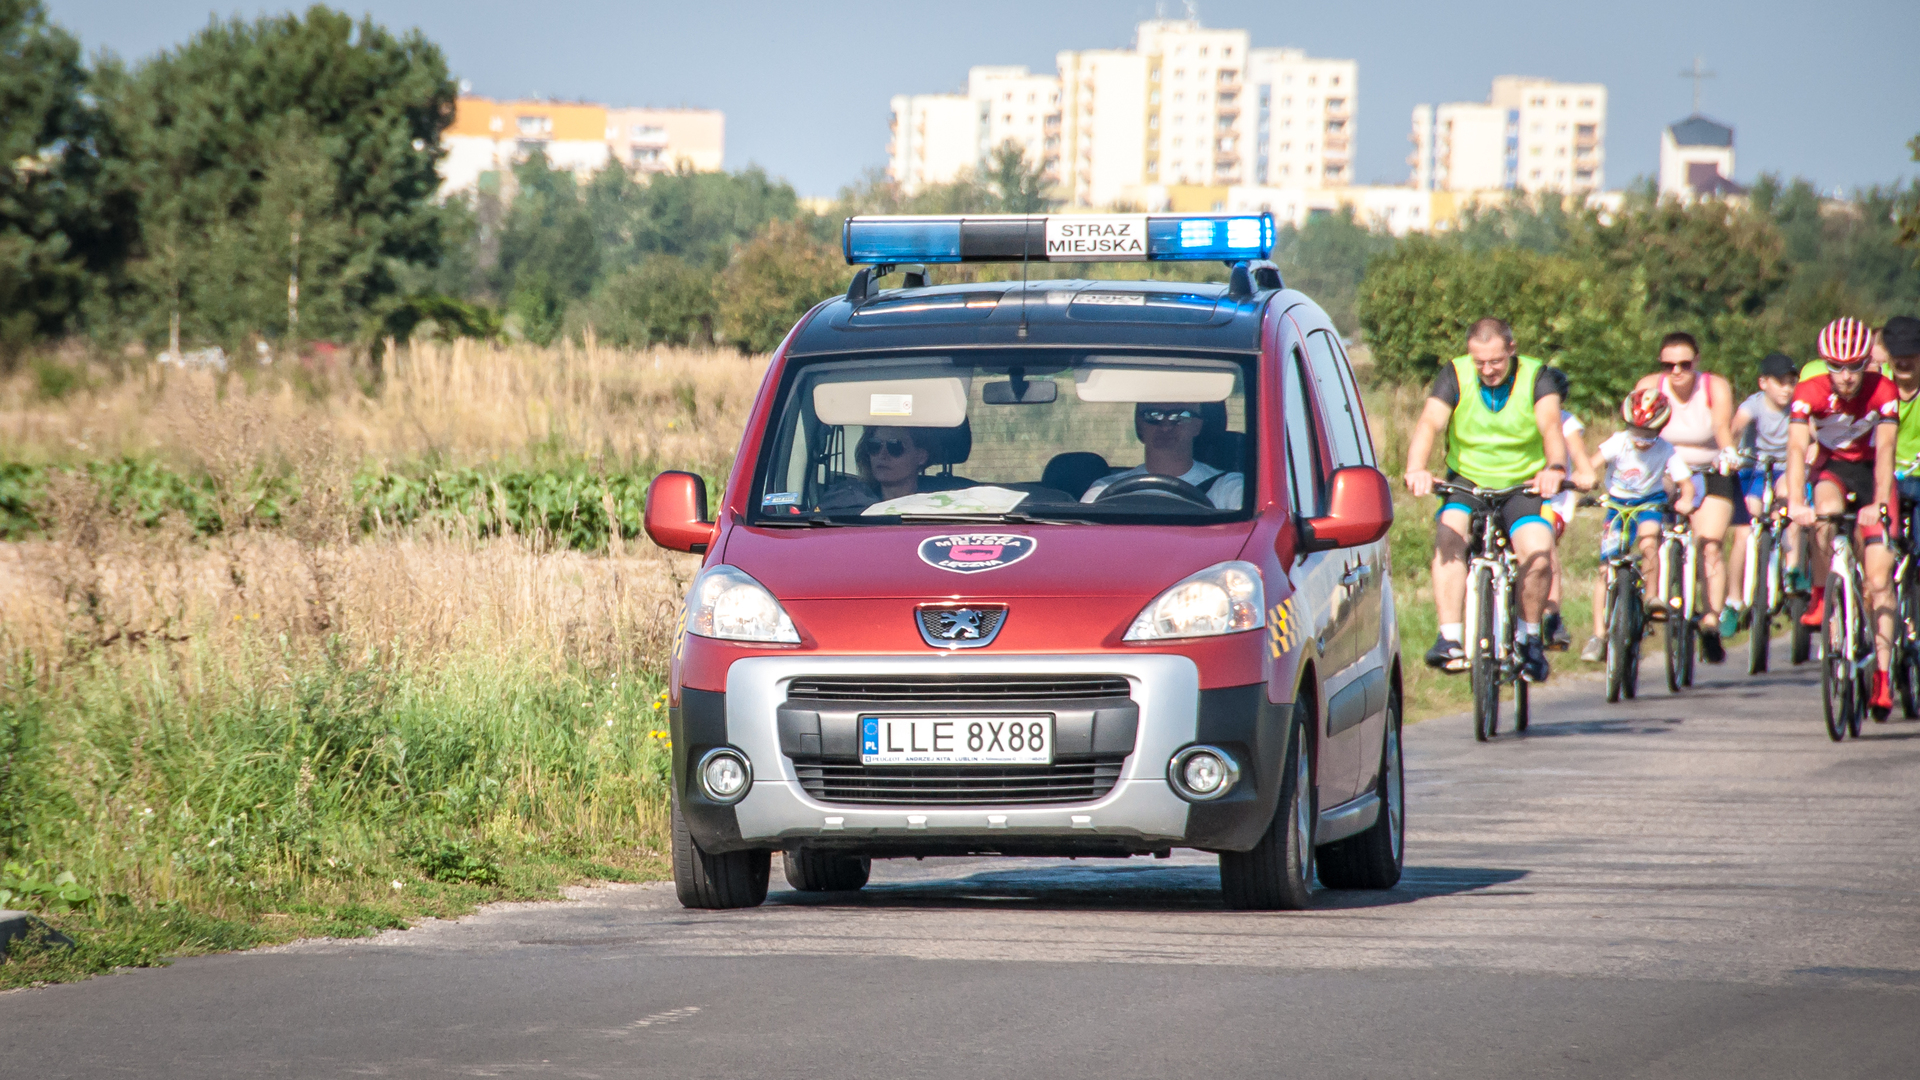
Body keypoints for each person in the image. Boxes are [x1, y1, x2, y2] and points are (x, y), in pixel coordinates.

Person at [1403, 317, 1570, 681]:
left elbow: (1551, 426)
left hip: (1522, 484)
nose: (1488, 369)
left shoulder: (1537, 377)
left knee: (1538, 553)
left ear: (1512, 349)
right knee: (1449, 535)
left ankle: (1529, 638)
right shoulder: (1455, 374)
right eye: (1479, 362)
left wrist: (1555, 467)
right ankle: (1449, 638)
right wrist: (1416, 468)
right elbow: (1430, 422)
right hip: (1468, 481)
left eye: (1496, 361)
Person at [1787, 316, 1899, 719]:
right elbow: (1796, 449)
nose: (1847, 376)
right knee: (1824, 514)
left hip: (1872, 473)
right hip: (1833, 468)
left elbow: (1886, 450)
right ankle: (1822, 592)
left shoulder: (1882, 389)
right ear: (1825, 364)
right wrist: (1795, 502)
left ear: (1867, 363)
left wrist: (1879, 502)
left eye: (1855, 366)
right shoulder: (1809, 390)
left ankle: (1883, 676)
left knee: (1879, 582)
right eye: (1836, 367)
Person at [1632, 332, 1738, 664]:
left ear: (1697, 362)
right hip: (1664, 471)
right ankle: (1652, 597)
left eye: (1684, 364)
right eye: (1668, 365)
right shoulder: (1650, 385)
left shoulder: (1714, 387)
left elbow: (1721, 426)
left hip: (1708, 470)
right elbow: (1636, 427)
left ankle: (1710, 621)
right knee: (1648, 531)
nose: (1676, 372)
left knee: (1710, 545)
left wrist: (1729, 452)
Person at [1581, 389, 1698, 662]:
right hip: (1618, 505)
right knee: (1605, 569)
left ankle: (1652, 597)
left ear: (1660, 429)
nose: (1641, 440)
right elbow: (1592, 464)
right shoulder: (1619, 442)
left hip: (1649, 502)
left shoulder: (1666, 449)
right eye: (1636, 432)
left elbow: (1685, 483)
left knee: (1649, 541)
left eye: (1649, 434)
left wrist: (1687, 500)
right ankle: (1598, 634)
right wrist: (1585, 478)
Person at [1725, 352, 1802, 629]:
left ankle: (1793, 572)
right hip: (1753, 469)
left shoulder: (1798, 406)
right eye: (1780, 382)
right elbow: (1735, 428)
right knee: (1744, 531)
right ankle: (1733, 600)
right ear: (1763, 383)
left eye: (1791, 382)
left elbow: (1813, 436)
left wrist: (1812, 453)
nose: (1786, 389)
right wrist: (1729, 451)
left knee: (1791, 507)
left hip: (1785, 468)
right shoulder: (1754, 405)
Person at [1081, 402, 1245, 509]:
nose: (1165, 426)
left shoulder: (1229, 488)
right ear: (1139, 424)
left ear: (1197, 425)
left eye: (1180, 416)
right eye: (1153, 415)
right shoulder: (1104, 490)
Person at [1543, 408, 1597, 651]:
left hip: (1549, 503)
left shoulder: (1564, 421)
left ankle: (1551, 616)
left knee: (1544, 542)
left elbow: (1577, 452)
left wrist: (1585, 472)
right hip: (1512, 494)